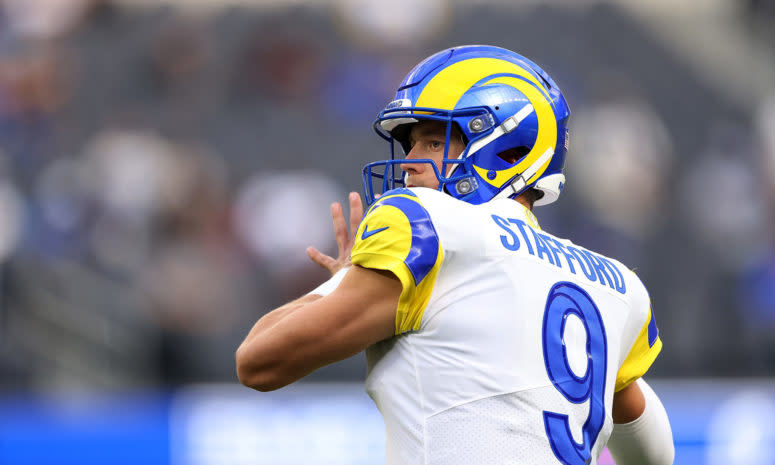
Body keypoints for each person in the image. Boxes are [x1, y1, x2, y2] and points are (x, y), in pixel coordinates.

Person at [236, 45, 674, 465]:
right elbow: (656, 454)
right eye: (409, 145)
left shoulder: (427, 225)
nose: (409, 162)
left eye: (430, 142)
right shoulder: (617, 286)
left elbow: (259, 361)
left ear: (509, 147)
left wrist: (344, 279)